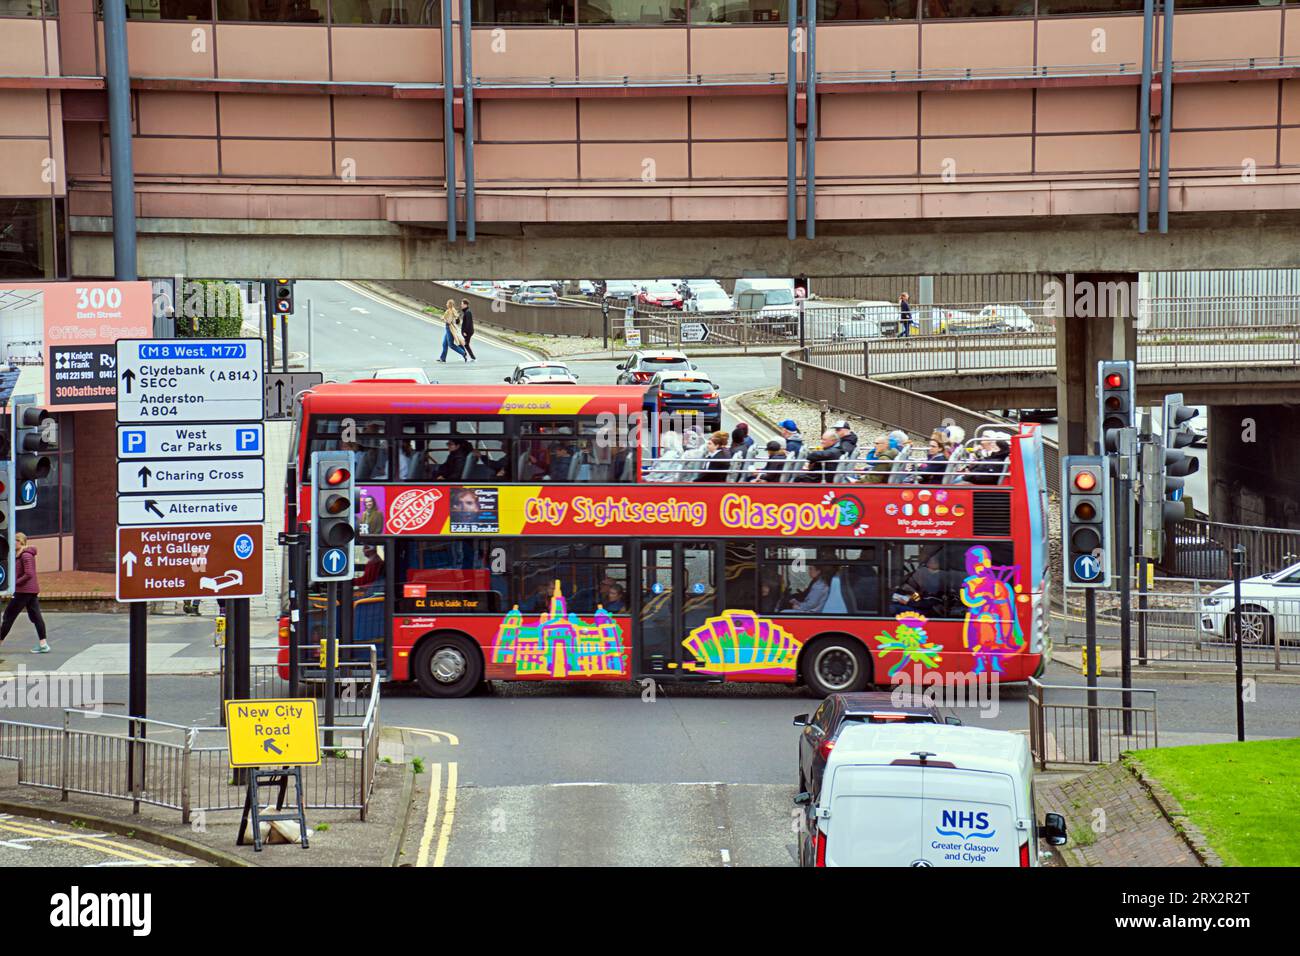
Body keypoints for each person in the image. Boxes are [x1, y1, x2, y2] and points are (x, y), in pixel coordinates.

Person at [0, 533, 49, 655]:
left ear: (21, 542)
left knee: (8, 616)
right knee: (35, 616)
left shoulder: (26, 555)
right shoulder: (19, 555)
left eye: (15, 540)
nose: (13, 543)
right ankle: (43, 644)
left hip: (24, 591)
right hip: (30, 591)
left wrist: (14, 584)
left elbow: (29, 574)